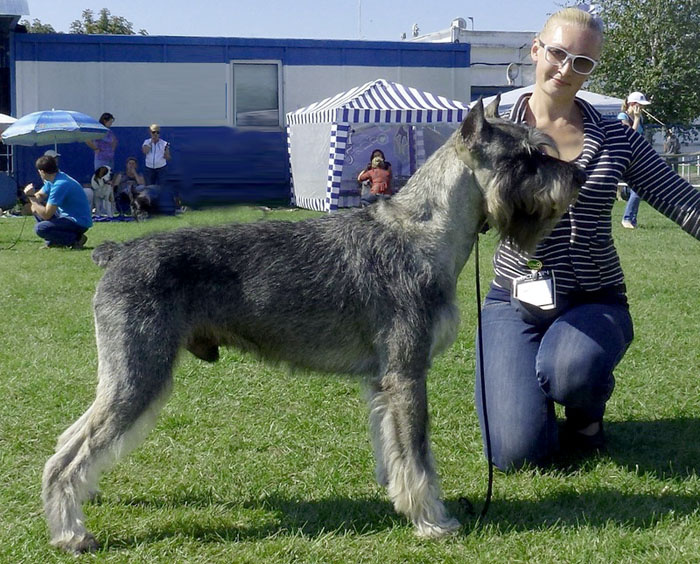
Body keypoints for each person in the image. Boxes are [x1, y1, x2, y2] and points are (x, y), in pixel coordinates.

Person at [474, 6, 700, 471]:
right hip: (512, 299)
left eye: (582, 63)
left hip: (595, 301)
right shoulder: (496, 135)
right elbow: (449, 209)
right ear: (535, 50)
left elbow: (685, 202)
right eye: (557, 53)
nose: (565, 68)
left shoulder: (619, 140)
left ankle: (584, 414)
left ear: (592, 71)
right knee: (515, 455)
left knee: (571, 371)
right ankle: (533, 409)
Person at [23, 155, 92, 248]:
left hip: (78, 221)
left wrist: (31, 198)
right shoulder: (54, 179)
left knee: (40, 228)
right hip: (67, 217)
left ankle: (76, 239)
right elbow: (40, 195)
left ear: (42, 172)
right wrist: (35, 201)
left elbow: (47, 214)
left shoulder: (60, 184)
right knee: (37, 209)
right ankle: (54, 242)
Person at [618, 92, 651, 228]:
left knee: (638, 189)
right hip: (627, 157)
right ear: (632, 104)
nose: (642, 109)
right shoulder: (622, 117)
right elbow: (630, 136)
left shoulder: (639, 117)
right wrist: (636, 119)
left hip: (638, 156)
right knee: (638, 189)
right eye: (640, 105)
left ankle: (631, 219)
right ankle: (627, 219)